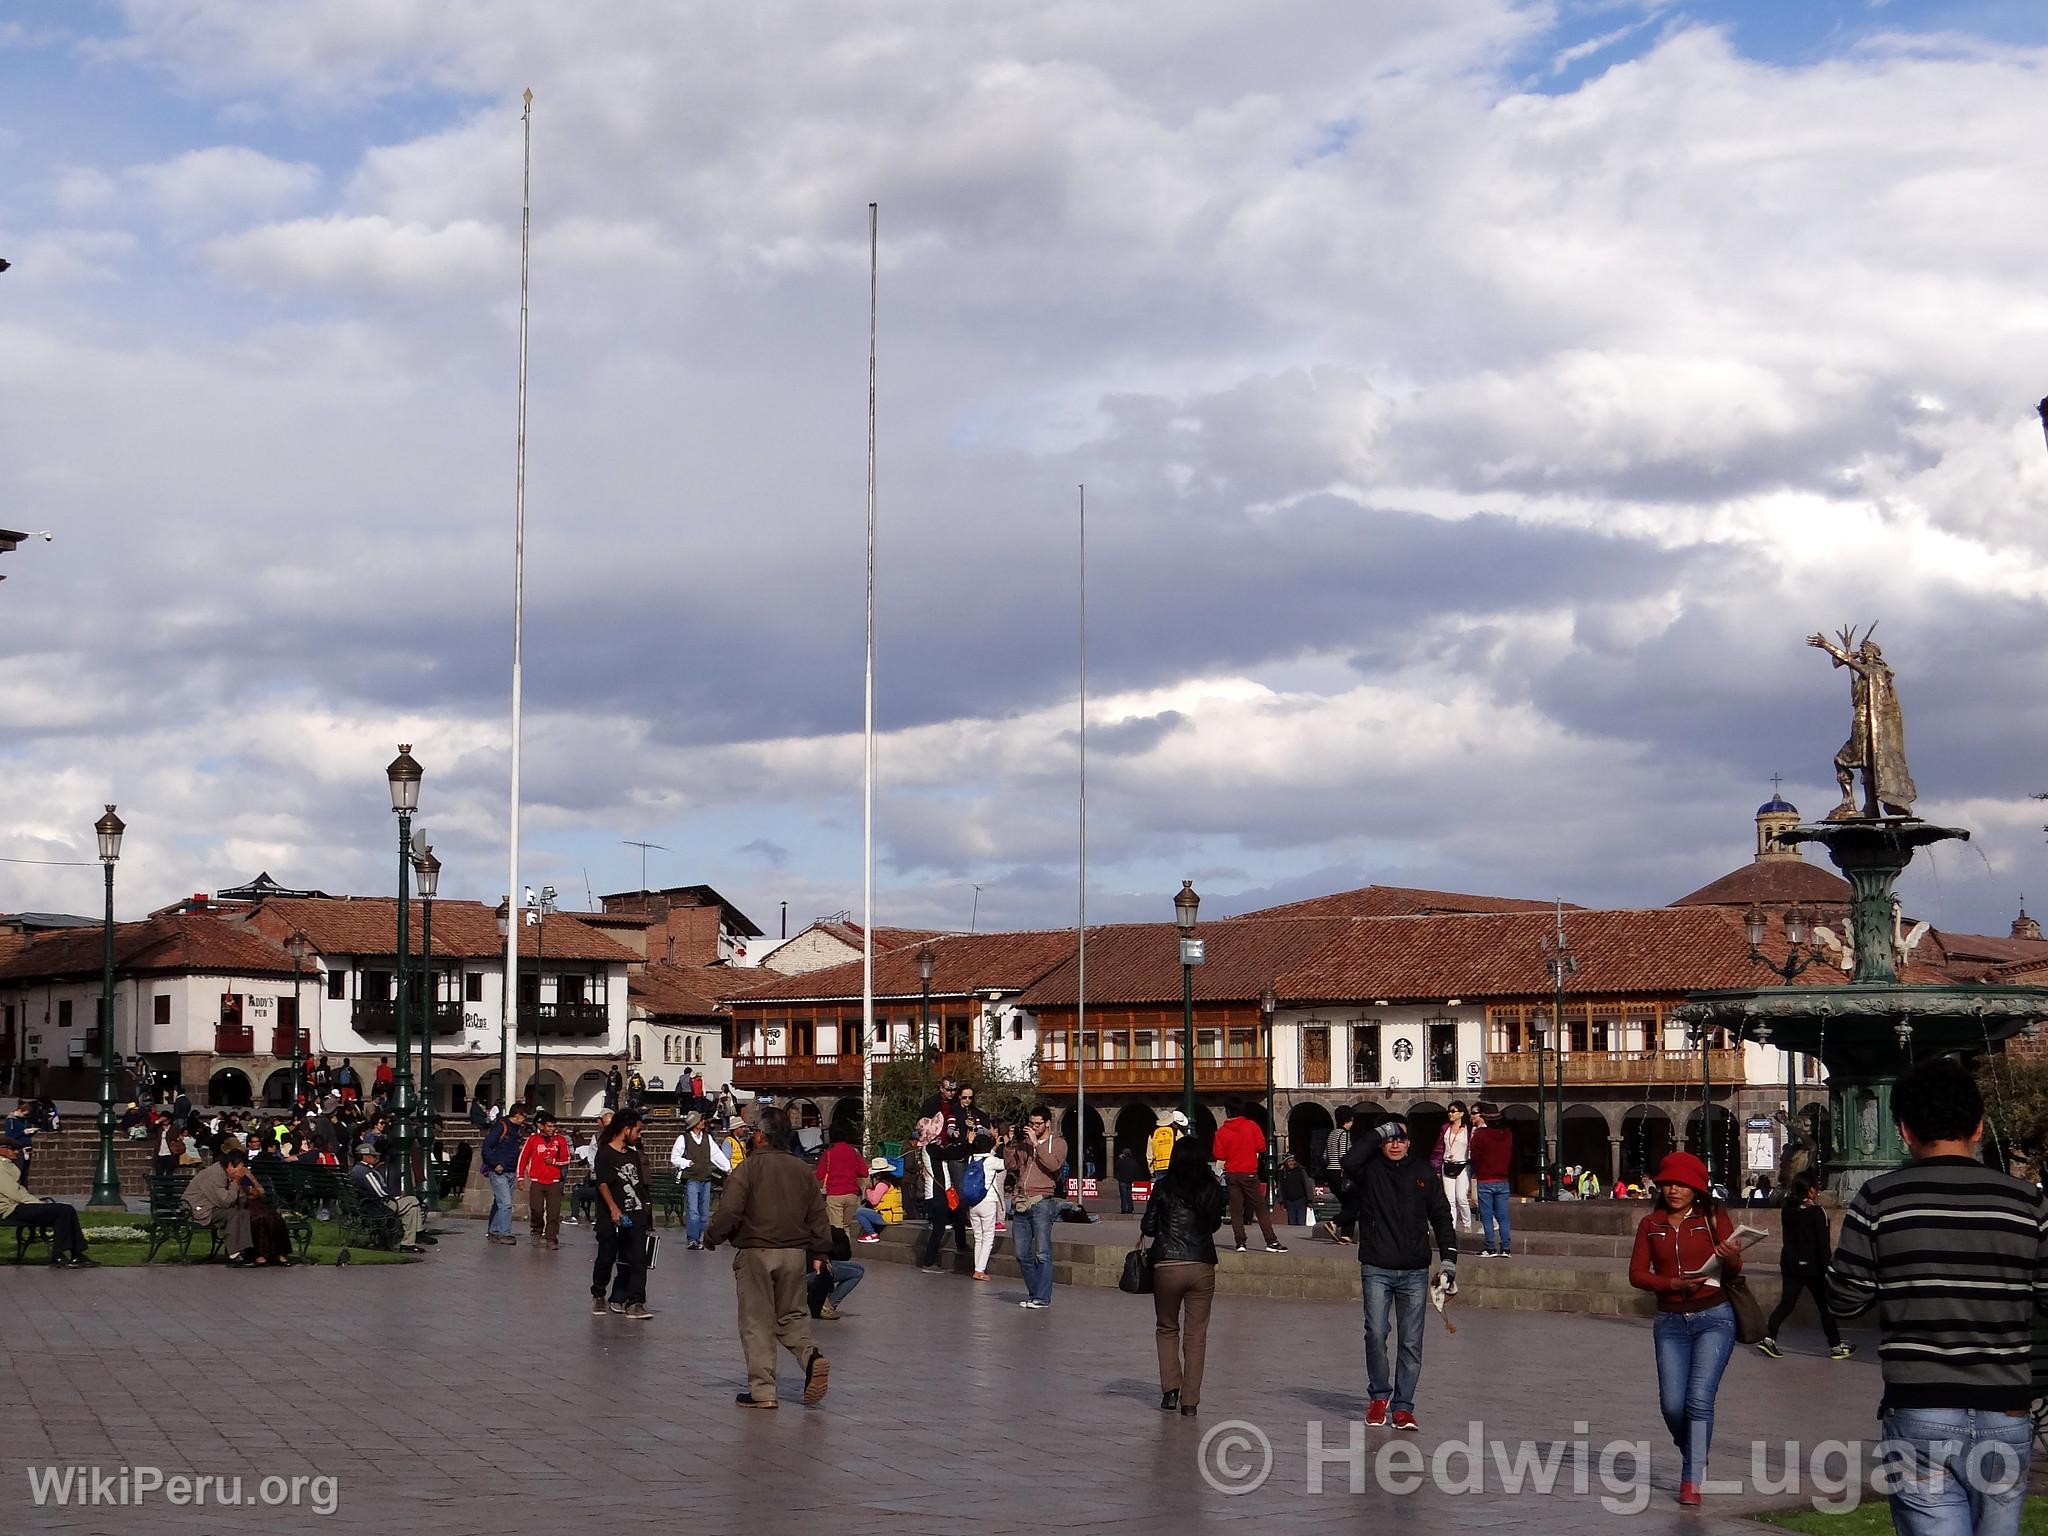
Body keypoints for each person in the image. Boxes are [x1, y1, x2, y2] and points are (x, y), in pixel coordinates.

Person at [1831, 1055, 2046, 1536]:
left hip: (1919, 1407)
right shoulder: (2027, 1202)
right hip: (2006, 1408)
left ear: (1904, 1130)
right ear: (1978, 1126)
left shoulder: (1878, 1199)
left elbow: (1845, 1300)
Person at [1628, 1150, 1742, 1508]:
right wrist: (1673, 1284)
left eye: (1683, 1184)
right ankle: (1694, 1449)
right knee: (1672, 1405)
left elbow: (1735, 1272)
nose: (1674, 1190)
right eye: (1668, 1184)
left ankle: (1691, 1477)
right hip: (1671, 1321)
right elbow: (1637, 1274)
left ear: (1697, 1189)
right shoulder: (1652, 1224)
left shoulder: (1713, 1217)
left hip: (1714, 1317)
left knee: (1698, 1399)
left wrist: (1730, 1254)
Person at [704, 1107, 833, 1409]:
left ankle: (763, 1391)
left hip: (757, 1253)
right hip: (794, 1255)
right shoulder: (802, 1170)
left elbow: (730, 1211)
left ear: (761, 1136)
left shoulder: (748, 1169)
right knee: (792, 1316)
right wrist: (820, 1250)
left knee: (757, 1321)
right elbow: (818, 1214)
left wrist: (712, 1237)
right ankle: (811, 1356)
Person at [1343, 1114, 1457, 1432]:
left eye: (1401, 1138)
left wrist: (1449, 1260)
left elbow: (1442, 1217)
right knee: (1376, 1332)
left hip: (1414, 1271)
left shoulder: (1422, 1172)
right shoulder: (1369, 1170)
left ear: (1410, 1142)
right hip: (1377, 1266)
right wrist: (1380, 1130)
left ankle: (1404, 1407)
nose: (1396, 1143)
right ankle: (1379, 1396)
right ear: (1380, 1140)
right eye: (1390, 1138)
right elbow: (1348, 1160)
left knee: (1410, 1341)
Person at [1144, 1137, 1228, 1416]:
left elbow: (1149, 1225)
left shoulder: (1164, 1186)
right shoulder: (1211, 1187)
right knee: (1196, 1334)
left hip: (1167, 1264)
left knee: (1167, 1328)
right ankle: (1190, 1401)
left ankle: (1170, 1390)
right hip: (1202, 1264)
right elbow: (1215, 1223)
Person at [1756, 1172, 1850, 1361]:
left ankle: (1768, 1338)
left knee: (1786, 1303)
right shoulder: (1817, 1212)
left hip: (1791, 1264)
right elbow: (1822, 1244)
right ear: (1811, 1190)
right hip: (1813, 1267)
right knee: (1825, 1307)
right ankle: (1836, 1345)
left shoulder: (1787, 1211)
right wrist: (1828, 1269)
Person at [591, 1108, 653, 1320]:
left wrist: (646, 1212)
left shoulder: (634, 1155)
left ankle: (636, 1302)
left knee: (638, 1258)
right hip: (613, 1216)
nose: (639, 1134)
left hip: (635, 1214)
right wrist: (613, 1208)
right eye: (637, 1130)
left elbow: (639, 1186)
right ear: (625, 1130)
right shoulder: (605, 1153)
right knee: (606, 1257)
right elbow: (603, 1184)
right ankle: (599, 1292)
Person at [0, 1135, 96, 1266]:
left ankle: (76, 1253)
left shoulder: (7, 1165)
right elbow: (13, 1192)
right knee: (62, 1210)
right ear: (2, 1149)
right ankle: (60, 1255)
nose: (17, 1152)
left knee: (66, 1210)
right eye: (13, 1149)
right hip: (8, 1210)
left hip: (17, 1206)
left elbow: (18, 1190)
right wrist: (37, 1204)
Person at [1007, 1104, 1067, 1310]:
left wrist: (1037, 1144)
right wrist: (1009, 1144)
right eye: (1031, 1123)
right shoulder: (1025, 1144)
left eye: (1038, 1124)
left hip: (1042, 1200)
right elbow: (1012, 1166)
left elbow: (1053, 1165)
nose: (1033, 1127)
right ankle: (1035, 1293)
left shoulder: (1058, 1143)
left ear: (1047, 1123)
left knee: (1042, 1252)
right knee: (1021, 1253)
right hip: (1022, 1200)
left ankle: (1042, 1297)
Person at [1212, 1101, 1287, 1254]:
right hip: (1249, 1172)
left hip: (1232, 1173)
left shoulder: (1222, 1131)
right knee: (1260, 1208)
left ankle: (1240, 1242)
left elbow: (1218, 1154)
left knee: (1235, 1210)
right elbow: (1262, 1147)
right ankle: (1270, 1240)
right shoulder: (1251, 1126)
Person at [917, 1078, 974, 1272]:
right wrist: (968, 1144)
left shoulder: (933, 1147)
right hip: (937, 1193)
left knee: (957, 1214)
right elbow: (952, 1153)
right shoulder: (931, 1149)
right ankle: (928, 1262)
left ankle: (961, 1244)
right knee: (940, 1227)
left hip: (944, 1190)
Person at [348, 1141, 426, 1252]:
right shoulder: (365, 1172)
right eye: (373, 1156)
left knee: (412, 1210)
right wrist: (398, 1194)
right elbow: (380, 1193)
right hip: (376, 1207)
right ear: (365, 1157)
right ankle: (417, 1234)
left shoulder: (356, 1170)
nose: (376, 1158)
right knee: (413, 1200)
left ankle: (408, 1243)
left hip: (368, 1205)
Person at [668, 1110, 729, 1249]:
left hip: (706, 1179)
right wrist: (687, 1163)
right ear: (695, 1124)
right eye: (701, 1120)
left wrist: (728, 1168)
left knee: (704, 1213)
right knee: (693, 1211)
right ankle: (693, 1238)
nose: (703, 1122)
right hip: (692, 1179)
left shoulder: (707, 1138)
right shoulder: (684, 1139)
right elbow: (674, 1158)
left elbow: (716, 1155)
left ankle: (699, 1237)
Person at [517, 1110, 572, 1250]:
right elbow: (523, 1158)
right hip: (536, 1180)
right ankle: (536, 1230)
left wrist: (553, 1161)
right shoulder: (533, 1139)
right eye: (549, 1126)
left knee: (554, 1212)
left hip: (554, 1181)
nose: (552, 1129)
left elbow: (566, 1159)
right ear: (541, 1126)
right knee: (536, 1209)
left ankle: (551, 1238)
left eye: (554, 1126)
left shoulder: (560, 1140)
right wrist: (521, 1177)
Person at [1469, 1101, 1514, 1257]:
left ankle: (1490, 1247)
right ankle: (1506, 1248)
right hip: (1503, 1180)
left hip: (1485, 1179)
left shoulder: (1480, 1135)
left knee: (1487, 1216)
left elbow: (1474, 1156)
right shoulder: (1508, 1134)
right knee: (1503, 1216)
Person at [481, 1103, 528, 1246]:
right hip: (499, 1171)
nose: (525, 1119)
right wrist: (495, 1164)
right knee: (506, 1203)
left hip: (512, 1170)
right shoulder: (501, 1127)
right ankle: (504, 1233)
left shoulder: (519, 1130)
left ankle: (494, 1230)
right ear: (517, 1114)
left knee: (500, 1202)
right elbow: (487, 1146)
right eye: (524, 1116)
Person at [815, 1123, 867, 1245]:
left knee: (836, 1227)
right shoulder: (854, 1152)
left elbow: (819, 1175)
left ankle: (839, 1253)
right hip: (852, 1194)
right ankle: (846, 1249)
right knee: (846, 1226)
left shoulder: (828, 1153)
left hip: (834, 1193)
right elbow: (864, 1172)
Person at [964, 1131, 1004, 1279]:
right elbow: (1006, 1164)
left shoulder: (971, 1160)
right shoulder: (992, 1161)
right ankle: (980, 1270)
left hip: (973, 1203)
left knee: (978, 1237)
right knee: (988, 1237)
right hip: (988, 1202)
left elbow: (986, 1157)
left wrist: (993, 1148)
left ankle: (977, 1267)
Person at [1433, 1101, 1476, 1235]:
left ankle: (1467, 1225)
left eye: (1453, 1111)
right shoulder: (1445, 1128)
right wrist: (1436, 1165)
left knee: (1462, 1197)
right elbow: (1439, 1147)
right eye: (1449, 1111)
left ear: (1461, 1113)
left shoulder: (1468, 1129)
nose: (1450, 1113)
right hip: (1447, 1164)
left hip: (1463, 1165)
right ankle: (1451, 1226)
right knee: (1449, 1199)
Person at [807, 1227, 864, 1321]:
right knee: (858, 1272)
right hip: (813, 1267)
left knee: (858, 1269)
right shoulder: (819, 1226)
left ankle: (825, 1302)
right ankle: (827, 1305)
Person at [1320, 1105, 1357, 1243]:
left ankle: (1346, 1236)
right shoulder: (1344, 1134)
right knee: (1355, 1203)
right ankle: (1334, 1223)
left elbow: (1325, 1156)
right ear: (1350, 1119)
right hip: (1340, 1172)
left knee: (1347, 1204)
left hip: (1330, 1172)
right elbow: (1344, 1155)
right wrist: (1346, 1169)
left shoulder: (1331, 1134)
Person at [1276, 1152, 1313, 1228]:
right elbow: (1280, 1187)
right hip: (1289, 1202)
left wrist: (1309, 1200)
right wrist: (1281, 1201)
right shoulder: (1282, 1173)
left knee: (1301, 1222)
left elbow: (1307, 1184)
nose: (1291, 1163)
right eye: (1289, 1161)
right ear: (1285, 1163)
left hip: (1301, 1200)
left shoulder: (1300, 1171)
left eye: (1292, 1161)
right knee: (1292, 1223)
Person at [1148, 1109, 1185, 1178]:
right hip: (1173, 1165)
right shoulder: (1176, 1132)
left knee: (1162, 1188)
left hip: (1158, 1167)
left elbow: (1149, 1156)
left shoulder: (1152, 1134)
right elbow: (1182, 1149)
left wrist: (1151, 1170)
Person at [1114, 1142, 1143, 1215]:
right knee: (1129, 1195)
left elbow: (1116, 1166)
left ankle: (1124, 1209)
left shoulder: (1121, 1161)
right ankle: (1130, 1208)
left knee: (1123, 1195)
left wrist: (1119, 1158)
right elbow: (1136, 1169)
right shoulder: (1133, 1161)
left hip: (1122, 1180)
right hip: (1130, 1180)